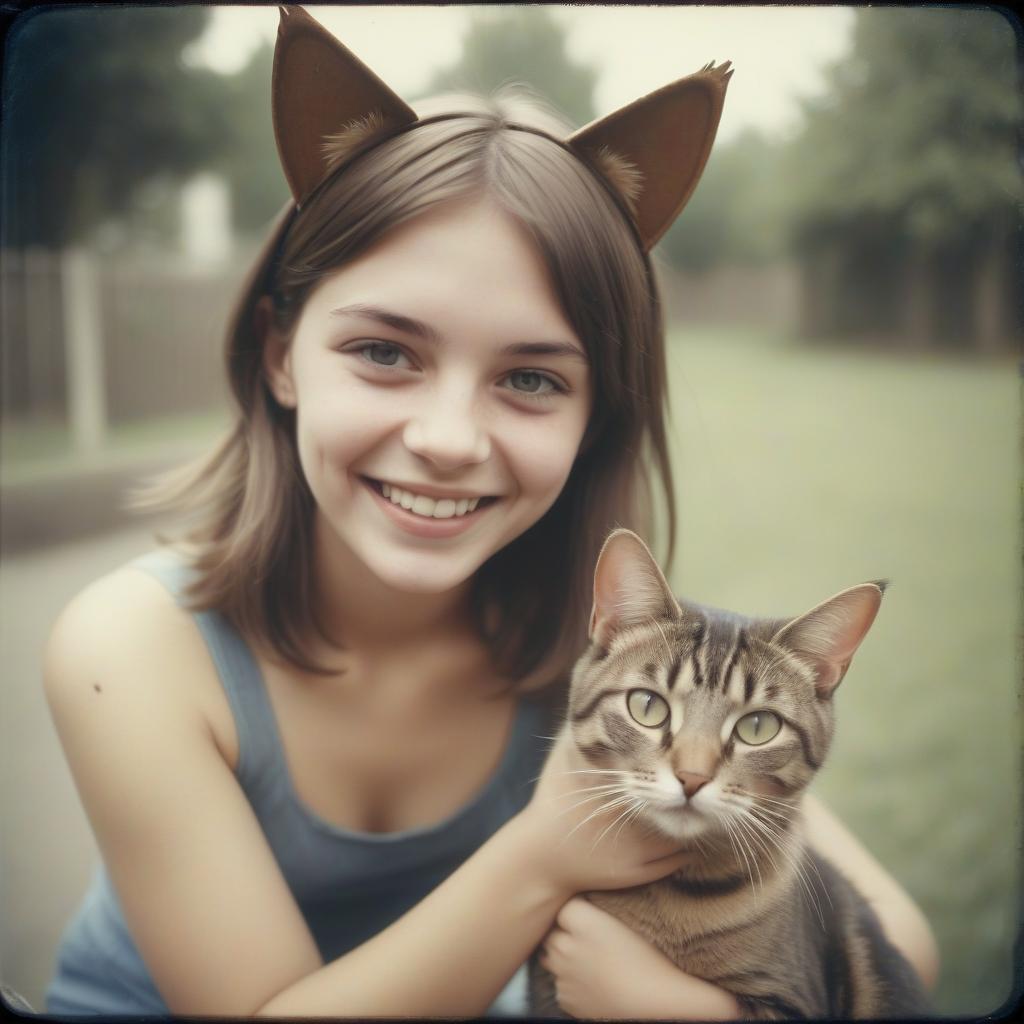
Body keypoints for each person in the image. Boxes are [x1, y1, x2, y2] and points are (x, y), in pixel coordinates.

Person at [42, 7, 937, 1019]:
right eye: (385, 352)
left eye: (529, 378)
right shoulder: (131, 649)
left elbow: (895, 940)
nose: (450, 437)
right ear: (281, 352)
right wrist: (548, 849)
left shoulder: (626, 659)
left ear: (596, 413)